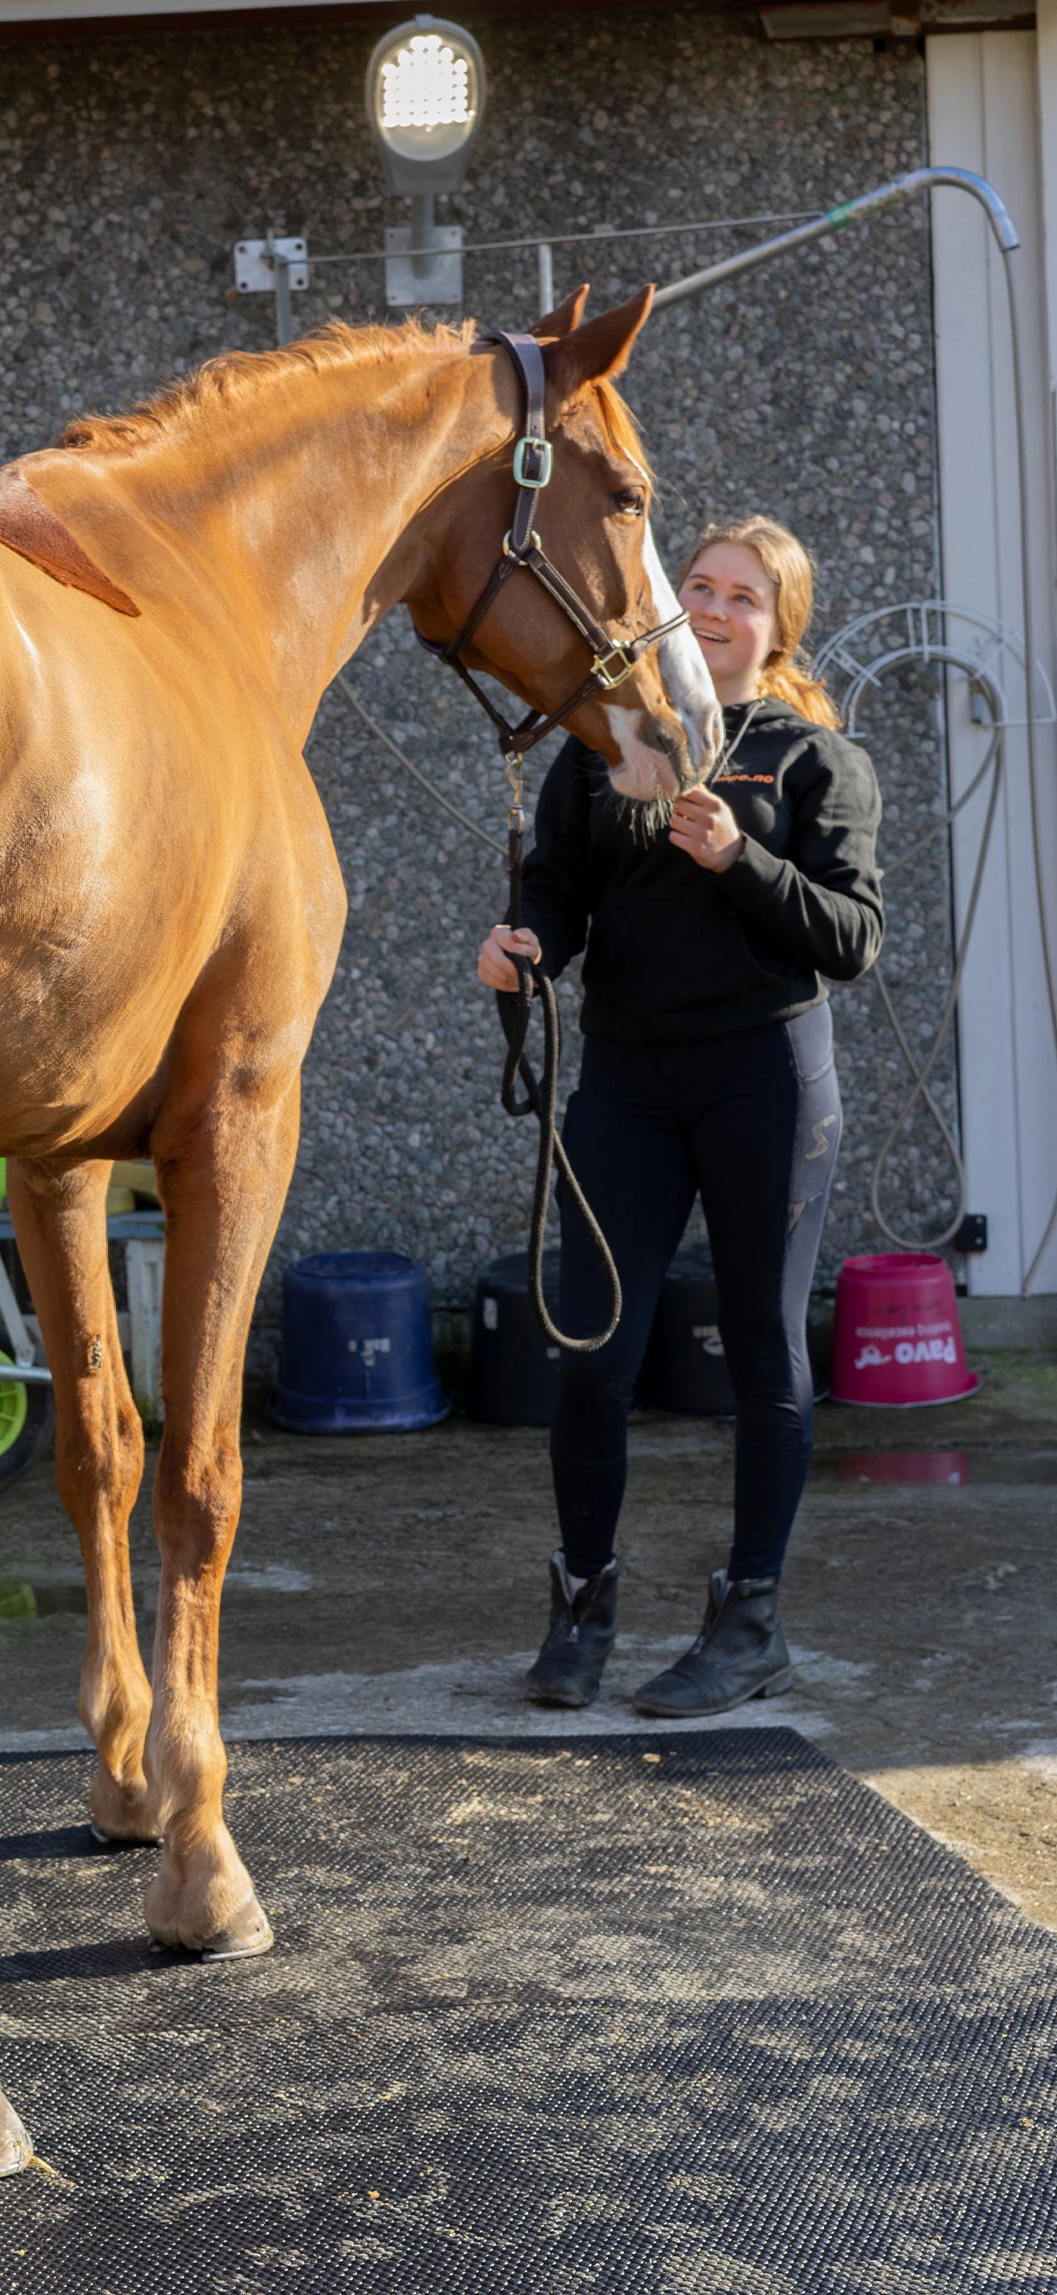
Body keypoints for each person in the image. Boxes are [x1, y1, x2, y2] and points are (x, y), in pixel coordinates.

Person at [477, 516, 883, 1716]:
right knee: (592, 1351)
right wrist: (525, 948)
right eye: (697, 586)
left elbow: (851, 940)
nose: (712, 609)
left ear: (779, 625)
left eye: (742, 595)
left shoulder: (815, 764)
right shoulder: (607, 742)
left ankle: (750, 1621)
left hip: (767, 1079)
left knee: (763, 1350)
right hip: (630, 1084)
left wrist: (739, 862)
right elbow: (558, 890)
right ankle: (583, 1605)